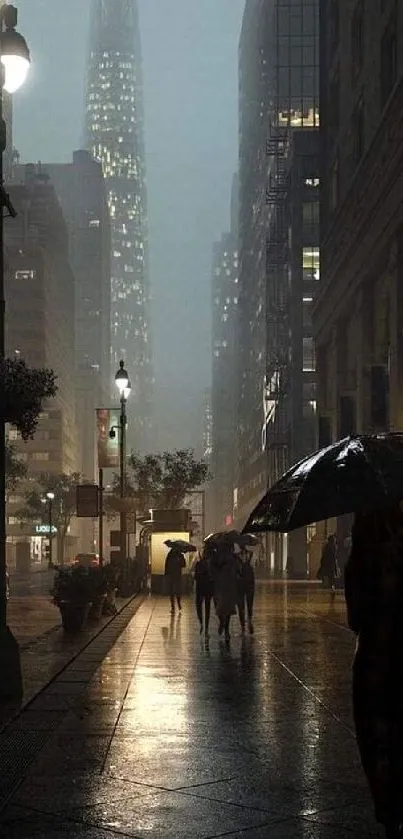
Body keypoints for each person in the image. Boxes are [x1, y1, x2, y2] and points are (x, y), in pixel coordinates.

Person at [345, 505, 403, 838]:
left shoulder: (369, 529)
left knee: (379, 736)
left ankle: (390, 814)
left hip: (378, 656)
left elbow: (355, 616)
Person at [210, 543, 239, 642]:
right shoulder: (230, 557)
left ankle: (224, 625)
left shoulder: (216, 557)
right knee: (226, 607)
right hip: (227, 584)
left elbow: (212, 570)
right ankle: (225, 626)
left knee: (222, 606)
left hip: (221, 584)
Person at [194, 550, 214, 638]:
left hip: (200, 588)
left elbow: (195, 577)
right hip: (208, 588)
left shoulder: (199, 564)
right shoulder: (211, 565)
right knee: (207, 607)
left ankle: (202, 623)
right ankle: (205, 627)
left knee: (199, 605)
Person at [237, 548, 255, 634]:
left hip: (249, 583)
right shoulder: (237, 556)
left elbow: (253, 566)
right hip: (241, 584)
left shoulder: (251, 554)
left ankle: (249, 620)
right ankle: (243, 623)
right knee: (241, 605)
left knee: (249, 604)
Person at [164, 546, 186, 614]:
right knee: (173, 591)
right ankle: (173, 606)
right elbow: (167, 564)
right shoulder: (171, 555)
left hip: (175, 575)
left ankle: (177, 604)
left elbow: (183, 565)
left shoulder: (179, 555)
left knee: (176, 591)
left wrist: (180, 561)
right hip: (173, 575)